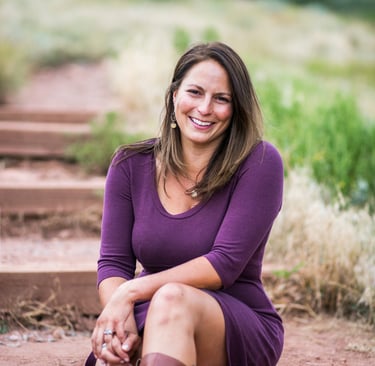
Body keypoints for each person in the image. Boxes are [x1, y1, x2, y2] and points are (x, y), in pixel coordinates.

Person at [86, 41, 284, 366]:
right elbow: (114, 262)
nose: (205, 108)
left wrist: (131, 292)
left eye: (221, 99)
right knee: (115, 354)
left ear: (236, 109)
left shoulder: (260, 163)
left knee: (171, 299)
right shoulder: (130, 164)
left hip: (234, 322)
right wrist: (119, 315)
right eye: (195, 92)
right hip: (150, 310)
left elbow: (224, 264)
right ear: (175, 94)